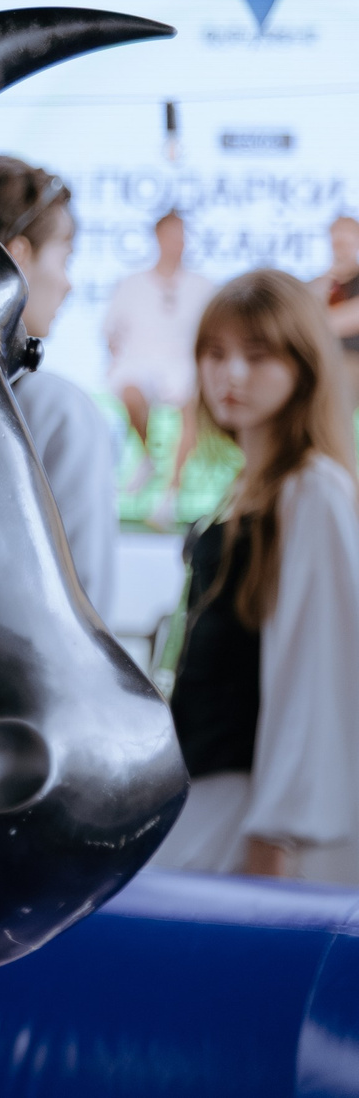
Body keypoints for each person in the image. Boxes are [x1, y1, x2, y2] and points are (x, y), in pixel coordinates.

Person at [152, 269, 359, 882]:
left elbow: (315, 673)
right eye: (214, 355)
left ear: (303, 365)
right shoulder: (249, 491)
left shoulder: (313, 489)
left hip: (250, 823)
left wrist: (279, 830)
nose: (230, 375)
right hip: (207, 802)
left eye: (257, 355)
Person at [0, 156, 120, 613]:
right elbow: (82, 607)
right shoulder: (53, 410)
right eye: (65, 257)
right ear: (17, 255)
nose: (68, 284)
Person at [105, 209, 213, 512]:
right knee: (129, 390)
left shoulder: (202, 286)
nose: (176, 242)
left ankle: (170, 496)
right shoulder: (132, 284)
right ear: (158, 237)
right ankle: (147, 457)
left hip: (183, 365)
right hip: (139, 361)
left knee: (190, 406)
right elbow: (111, 331)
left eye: (181, 236)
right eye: (171, 235)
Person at [310, 212, 359, 395]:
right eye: (337, 243)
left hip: (351, 360)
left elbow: (343, 321)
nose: (341, 249)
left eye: (347, 243)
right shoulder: (322, 283)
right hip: (323, 358)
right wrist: (329, 278)